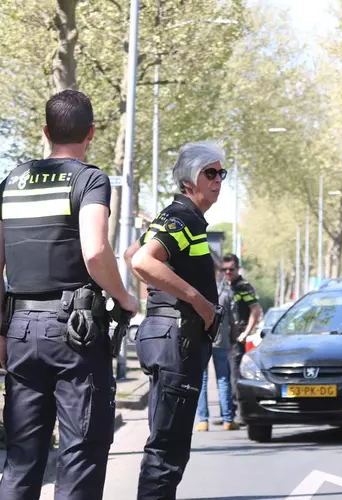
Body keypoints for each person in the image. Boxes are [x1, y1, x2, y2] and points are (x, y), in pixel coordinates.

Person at [0, 89, 138, 500]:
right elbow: (95, 251)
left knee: (22, 456)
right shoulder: (89, 179)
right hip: (74, 332)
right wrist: (126, 297)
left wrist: (2, 331)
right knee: (81, 449)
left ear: (46, 131)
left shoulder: (11, 182)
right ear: (91, 133)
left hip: (21, 330)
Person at [125, 141, 226, 500]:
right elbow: (141, 262)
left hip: (165, 334)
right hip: (177, 339)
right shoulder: (182, 217)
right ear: (189, 179)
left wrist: (162, 294)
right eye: (209, 173)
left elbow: (131, 252)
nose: (217, 180)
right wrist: (198, 302)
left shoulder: (180, 217)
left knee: (166, 442)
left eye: (221, 173)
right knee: (167, 449)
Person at [219, 254, 261, 417]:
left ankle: (240, 412)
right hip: (222, 338)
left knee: (235, 376)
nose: (228, 272)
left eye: (231, 269)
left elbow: (255, 309)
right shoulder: (222, 285)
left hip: (237, 338)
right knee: (225, 377)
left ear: (238, 268)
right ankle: (228, 413)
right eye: (225, 269)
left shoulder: (244, 286)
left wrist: (245, 333)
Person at [195, 273, 238, 431]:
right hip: (221, 340)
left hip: (202, 338)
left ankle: (203, 420)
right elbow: (233, 319)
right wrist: (233, 339)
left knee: (202, 379)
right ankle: (227, 419)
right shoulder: (226, 293)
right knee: (223, 378)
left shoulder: (197, 292)